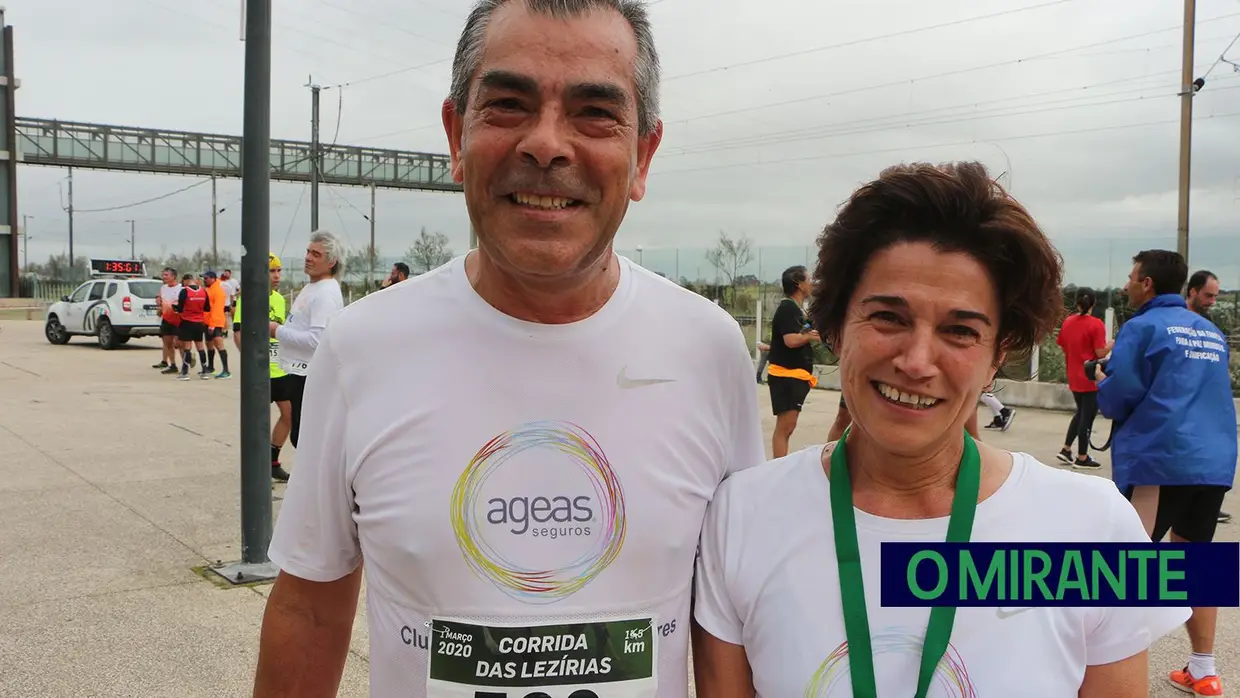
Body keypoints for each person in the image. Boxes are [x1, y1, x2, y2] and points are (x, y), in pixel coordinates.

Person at [252, 2, 764, 696]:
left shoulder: (709, 351)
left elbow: (726, 618)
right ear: (456, 136)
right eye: (509, 105)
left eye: (594, 113)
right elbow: (311, 608)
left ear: (643, 155)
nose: (547, 145)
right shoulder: (362, 349)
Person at [691, 162, 1189, 697]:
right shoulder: (741, 517)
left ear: (998, 355)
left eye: (959, 330)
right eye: (889, 317)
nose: (917, 360)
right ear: (835, 327)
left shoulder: (1094, 528)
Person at [1096, 250, 1237, 697]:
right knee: (1197, 561)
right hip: (1213, 462)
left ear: (1148, 283)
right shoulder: (1212, 333)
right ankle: (1205, 670)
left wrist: (1102, 377)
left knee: (1130, 564)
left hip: (1160, 460)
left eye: (1132, 277)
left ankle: (1110, 679)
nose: (1127, 285)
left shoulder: (1141, 327)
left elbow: (1117, 397)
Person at [268, 231, 345, 451]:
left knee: (306, 439)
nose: (308, 257)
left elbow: (317, 340)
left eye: (316, 254)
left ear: (331, 262)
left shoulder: (325, 294)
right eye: (308, 252)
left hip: (309, 376)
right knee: (300, 436)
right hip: (298, 373)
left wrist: (277, 331)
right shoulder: (313, 287)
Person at [234, 253, 293, 482]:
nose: (277, 275)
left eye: (279, 271)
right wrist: (251, 364)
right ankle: (255, 469)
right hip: (259, 370)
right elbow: (238, 333)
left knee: (289, 415)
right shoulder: (247, 299)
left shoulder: (279, 299)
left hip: (280, 369)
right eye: (272, 271)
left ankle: (272, 461)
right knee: (258, 421)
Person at [1187, 269, 1231, 525]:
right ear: (1192, 291)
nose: (1212, 301)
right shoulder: (1171, 327)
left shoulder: (1211, 332)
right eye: (1208, 296)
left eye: (1215, 297)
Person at [766, 265, 819, 457]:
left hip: (794, 376)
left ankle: (778, 466)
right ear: (799, 284)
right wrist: (809, 337)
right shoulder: (788, 308)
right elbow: (790, 340)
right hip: (786, 376)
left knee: (789, 426)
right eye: (809, 279)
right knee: (785, 427)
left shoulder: (796, 309)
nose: (811, 283)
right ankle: (778, 469)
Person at [1055, 287, 1110, 469]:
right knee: (1087, 417)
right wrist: (1113, 344)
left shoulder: (1068, 322)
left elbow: (1063, 344)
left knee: (1080, 413)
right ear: (1093, 303)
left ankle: (1066, 449)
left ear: (1077, 302)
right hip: (1090, 377)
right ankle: (1082, 456)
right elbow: (1100, 352)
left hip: (1073, 374)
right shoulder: (1096, 324)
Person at [173, 273, 211, 381]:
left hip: (187, 321)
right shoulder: (203, 291)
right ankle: (205, 371)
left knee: (187, 347)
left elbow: (180, 308)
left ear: (185, 281)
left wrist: (176, 308)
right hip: (199, 322)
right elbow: (207, 308)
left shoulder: (185, 291)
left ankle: (185, 372)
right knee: (200, 346)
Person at [202, 270, 231, 379]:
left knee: (219, 344)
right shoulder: (209, 289)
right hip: (207, 321)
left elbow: (217, 309)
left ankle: (226, 370)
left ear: (213, 279)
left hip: (215, 322)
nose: (204, 280)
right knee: (209, 343)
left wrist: (212, 324)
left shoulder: (218, 291)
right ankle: (211, 367)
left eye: (206, 278)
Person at [154, 267, 182, 374]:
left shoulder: (181, 288)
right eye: (163, 275)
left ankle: (185, 364)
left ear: (173, 277)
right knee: (168, 343)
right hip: (166, 319)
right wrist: (159, 304)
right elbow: (161, 300)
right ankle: (173, 365)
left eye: (166, 275)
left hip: (178, 320)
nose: (164, 277)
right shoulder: (163, 288)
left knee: (179, 344)